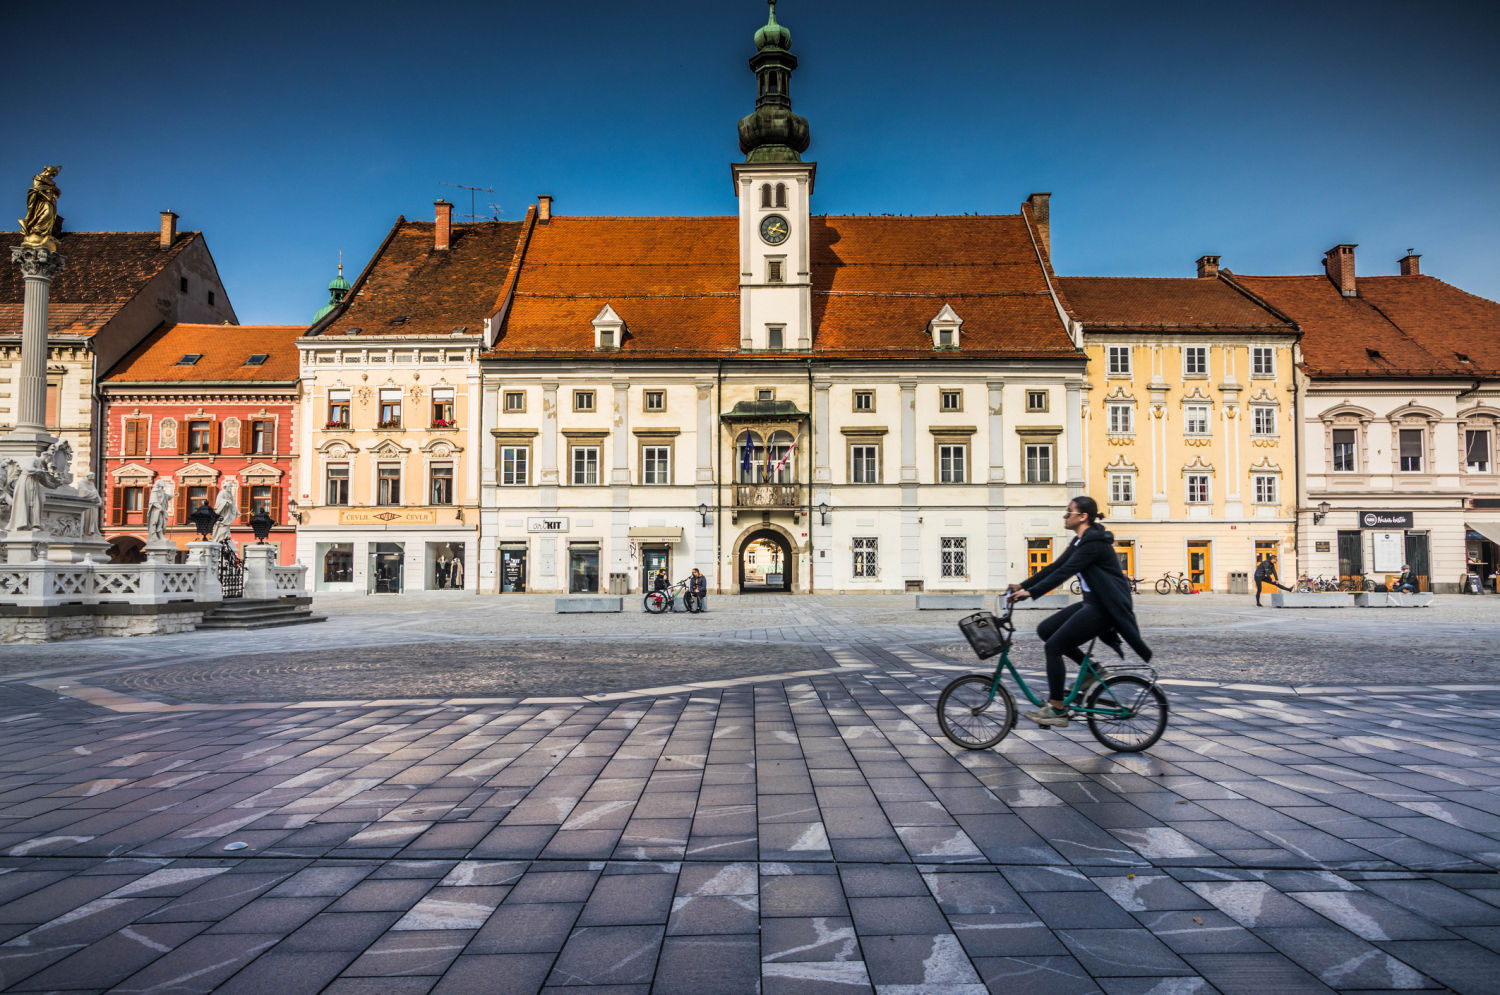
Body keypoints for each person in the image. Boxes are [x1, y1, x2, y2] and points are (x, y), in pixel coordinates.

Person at [1007, 495, 1152, 728]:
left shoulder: (1093, 544)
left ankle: (1057, 708)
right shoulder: (1080, 541)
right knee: (1045, 630)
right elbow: (1056, 566)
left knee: (1053, 647)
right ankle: (1093, 671)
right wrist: (1022, 585)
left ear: (1083, 516)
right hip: (1092, 603)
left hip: (1105, 608)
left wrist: (1031, 593)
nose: (1065, 516)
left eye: (1069, 512)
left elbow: (1065, 572)